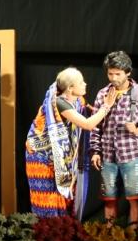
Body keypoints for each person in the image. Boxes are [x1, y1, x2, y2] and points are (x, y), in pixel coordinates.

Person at [25, 67, 117, 218]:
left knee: (62, 198)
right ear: (70, 88)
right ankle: (48, 229)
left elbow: (91, 114)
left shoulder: (77, 101)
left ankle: (63, 228)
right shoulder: (59, 103)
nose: (85, 84)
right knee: (48, 198)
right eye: (81, 82)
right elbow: (87, 124)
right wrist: (106, 105)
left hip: (58, 156)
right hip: (42, 156)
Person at [89, 50, 138, 225]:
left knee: (135, 198)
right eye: (110, 73)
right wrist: (95, 151)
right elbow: (95, 125)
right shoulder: (102, 94)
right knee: (109, 199)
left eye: (118, 74)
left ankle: (133, 232)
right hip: (107, 156)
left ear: (128, 72)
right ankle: (109, 232)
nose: (113, 78)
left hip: (132, 155)